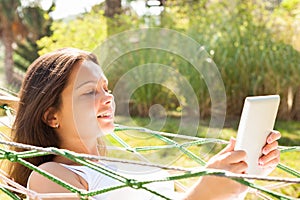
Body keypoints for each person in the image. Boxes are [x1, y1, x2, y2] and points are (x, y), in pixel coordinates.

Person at [8, 48, 281, 200]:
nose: (108, 98)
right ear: (51, 116)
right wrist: (203, 193)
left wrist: (239, 178)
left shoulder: (117, 166)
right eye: (90, 91)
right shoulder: (50, 177)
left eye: (106, 88)